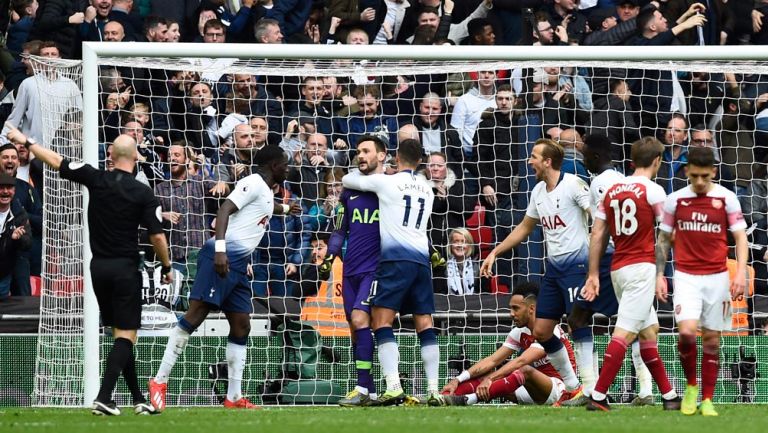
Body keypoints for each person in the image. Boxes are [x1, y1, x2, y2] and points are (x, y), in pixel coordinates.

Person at [6, 127, 173, 416]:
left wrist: (27, 142)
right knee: (126, 336)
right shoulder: (144, 192)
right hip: (124, 269)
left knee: (120, 333)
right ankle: (104, 397)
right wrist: (167, 266)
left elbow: (56, 160)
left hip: (98, 269)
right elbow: (157, 236)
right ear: (136, 156)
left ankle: (137, 398)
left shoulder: (96, 178)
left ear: (109, 155)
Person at [148, 145, 299, 412]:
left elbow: (265, 207)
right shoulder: (251, 182)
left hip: (239, 264)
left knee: (241, 325)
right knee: (195, 316)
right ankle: (159, 382)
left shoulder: (265, 190)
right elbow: (224, 210)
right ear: (274, 165)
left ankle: (233, 397)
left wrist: (286, 209)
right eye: (285, 164)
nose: (288, 168)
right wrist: (220, 251)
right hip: (222, 257)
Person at [580, 136, 681, 412]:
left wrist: (593, 274)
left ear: (632, 160)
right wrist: (661, 274)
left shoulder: (612, 191)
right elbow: (664, 237)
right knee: (623, 334)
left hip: (617, 269)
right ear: (657, 161)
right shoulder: (654, 191)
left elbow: (597, 233)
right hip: (642, 268)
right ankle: (598, 395)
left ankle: (669, 396)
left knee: (649, 332)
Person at [480, 138, 583, 400]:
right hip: (554, 268)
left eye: (534, 156)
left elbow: (596, 214)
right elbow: (525, 228)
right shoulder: (538, 191)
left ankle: (589, 387)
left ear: (547, 161)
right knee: (542, 330)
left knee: (577, 324)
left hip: (577, 265)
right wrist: (495, 251)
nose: (529, 161)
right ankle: (574, 389)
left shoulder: (573, 184)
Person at [341, 138, 440, 406]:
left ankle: (394, 387)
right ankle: (433, 390)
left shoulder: (388, 182)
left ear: (396, 157)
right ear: (420, 160)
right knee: (425, 324)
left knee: (381, 321)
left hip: (395, 260)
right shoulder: (428, 189)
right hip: (422, 261)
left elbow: (351, 181)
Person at [655, 146, 748, 417]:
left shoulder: (727, 198)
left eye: (704, 176)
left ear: (713, 173)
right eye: (694, 175)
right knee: (686, 333)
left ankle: (707, 399)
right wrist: (659, 275)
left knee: (711, 340)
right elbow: (663, 240)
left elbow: (740, 238)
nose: (698, 182)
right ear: (686, 171)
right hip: (686, 276)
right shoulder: (675, 200)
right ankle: (692, 386)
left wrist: (740, 272)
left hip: (718, 277)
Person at [561, 134, 653, 407]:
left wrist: (594, 268)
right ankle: (646, 391)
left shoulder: (601, 183)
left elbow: (602, 228)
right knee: (637, 323)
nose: (583, 158)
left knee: (579, 318)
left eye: (586, 154)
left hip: (611, 259)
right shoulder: (623, 180)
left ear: (597, 157)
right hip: (630, 257)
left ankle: (591, 390)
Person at [440, 283, 574, 406]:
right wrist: (457, 379)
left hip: (560, 390)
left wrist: (491, 379)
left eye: (516, 308)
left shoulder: (550, 330)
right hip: (532, 392)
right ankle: (445, 397)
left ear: (531, 308)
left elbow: (521, 361)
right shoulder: (519, 332)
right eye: (511, 308)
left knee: (523, 370)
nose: (511, 314)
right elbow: (492, 360)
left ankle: (468, 400)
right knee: (487, 373)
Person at [327, 135, 387, 406]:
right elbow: (340, 230)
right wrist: (330, 256)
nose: (360, 156)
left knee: (363, 320)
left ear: (382, 155)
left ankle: (362, 388)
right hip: (350, 269)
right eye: (358, 152)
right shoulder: (348, 192)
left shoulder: (389, 190)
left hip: (375, 269)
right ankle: (371, 391)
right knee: (355, 328)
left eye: (366, 151)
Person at [0, 171, 31, 300]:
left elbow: (28, 243)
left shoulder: (20, 213)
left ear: (14, 190)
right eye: (1, 188)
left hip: (6, 270)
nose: (5, 191)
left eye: (9, 188)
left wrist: (17, 238)